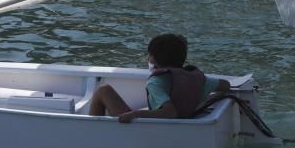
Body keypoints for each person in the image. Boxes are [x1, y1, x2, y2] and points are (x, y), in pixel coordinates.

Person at [88, 33, 230, 122]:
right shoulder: (197, 78)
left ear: (154, 59)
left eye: (149, 55)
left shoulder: (156, 82)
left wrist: (134, 114)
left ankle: (91, 133)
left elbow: (170, 112)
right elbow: (225, 85)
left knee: (103, 90)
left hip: (148, 129)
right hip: (184, 121)